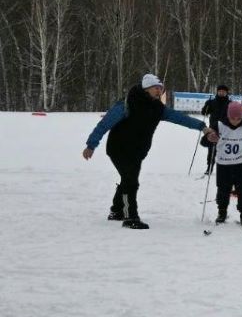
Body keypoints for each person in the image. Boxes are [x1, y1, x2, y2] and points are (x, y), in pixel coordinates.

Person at [84, 74, 213, 229]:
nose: (159, 91)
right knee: (130, 180)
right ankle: (130, 217)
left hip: (137, 151)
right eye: (156, 88)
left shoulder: (158, 108)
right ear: (146, 88)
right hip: (119, 148)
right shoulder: (127, 104)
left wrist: (202, 127)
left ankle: (116, 210)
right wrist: (91, 145)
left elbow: (179, 118)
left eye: (161, 88)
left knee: (128, 179)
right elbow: (104, 124)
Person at [206, 101, 242, 224]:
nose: (236, 120)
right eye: (233, 118)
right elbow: (205, 141)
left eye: (239, 118)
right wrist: (209, 137)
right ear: (228, 115)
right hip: (224, 164)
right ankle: (222, 212)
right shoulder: (219, 124)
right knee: (223, 189)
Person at [200, 84, 231, 174]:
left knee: (225, 149)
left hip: (226, 129)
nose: (221, 93)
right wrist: (206, 106)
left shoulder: (230, 103)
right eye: (220, 91)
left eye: (223, 91)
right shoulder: (212, 102)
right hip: (213, 129)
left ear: (226, 93)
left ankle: (225, 168)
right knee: (211, 149)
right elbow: (204, 113)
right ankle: (209, 167)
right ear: (217, 92)